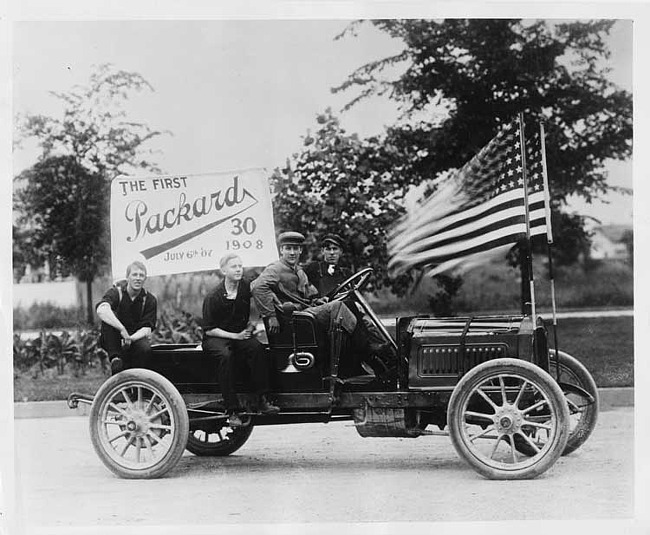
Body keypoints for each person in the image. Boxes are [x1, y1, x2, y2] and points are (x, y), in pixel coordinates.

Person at [251, 231, 392, 379]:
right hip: (297, 318)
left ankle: (384, 352)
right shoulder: (276, 269)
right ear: (281, 250)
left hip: (305, 312)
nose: (292, 252)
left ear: (300, 250)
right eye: (288, 248)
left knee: (355, 311)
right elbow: (257, 287)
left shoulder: (297, 270)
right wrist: (271, 315)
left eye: (295, 248)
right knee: (338, 306)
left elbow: (304, 296)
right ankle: (368, 349)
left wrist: (317, 301)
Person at [202, 253, 280, 426]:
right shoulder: (213, 296)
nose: (238, 269)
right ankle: (232, 410)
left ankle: (262, 399)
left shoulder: (245, 287)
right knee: (225, 356)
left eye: (240, 266)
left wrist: (252, 324)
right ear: (223, 270)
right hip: (217, 337)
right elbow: (209, 330)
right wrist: (234, 336)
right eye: (233, 267)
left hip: (239, 335)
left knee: (257, 349)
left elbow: (259, 297)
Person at [96, 260, 157, 375]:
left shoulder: (149, 299)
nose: (138, 278)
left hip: (135, 337)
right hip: (114, 337)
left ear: (145, 279)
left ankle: (138, 381)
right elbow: (101, 310)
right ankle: (115, 360)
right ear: (127, 277)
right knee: (109, 316)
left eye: (141, 275)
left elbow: (147, 328)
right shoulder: (116, 292)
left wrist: (130, 338)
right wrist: (122, 329)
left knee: (145, 349)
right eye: (134, 275)